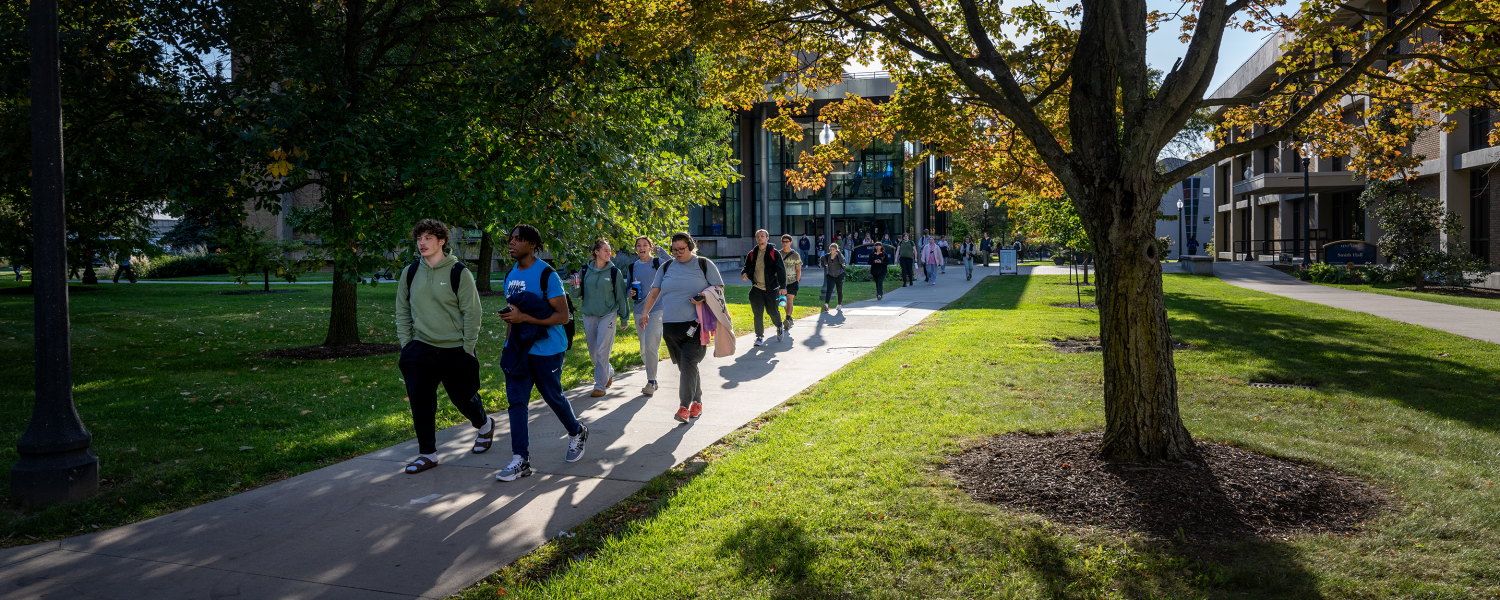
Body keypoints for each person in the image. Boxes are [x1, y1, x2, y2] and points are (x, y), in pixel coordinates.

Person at [395, 219, 493, 475]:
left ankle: (484, 424)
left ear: (442, 241)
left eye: (428, 238)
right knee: (421, 402)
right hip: (421, 349)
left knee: (464, 399)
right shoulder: (411, 272)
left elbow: (472, 312)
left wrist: (468, 347)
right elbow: (402, 310)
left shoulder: (459, 272)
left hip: (455, 349)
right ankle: (428, 453)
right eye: (419, 239)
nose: (422, 243)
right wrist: (407, 345)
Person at [495, 224, 589, 482]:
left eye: (517, 239)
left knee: (552, 395)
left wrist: (524, 316)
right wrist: (508, 344)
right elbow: (513, 315)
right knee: (516, 401)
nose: (511, 243)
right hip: (518, 348)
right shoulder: (510, 274)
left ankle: (577, 432)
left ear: (532, 244)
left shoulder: (547, 275)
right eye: (510, 238)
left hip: (547, 348)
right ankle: (520, 460)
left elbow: (561, 316)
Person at [640, 232, 725, 423]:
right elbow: (654, 293)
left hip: (695, 325)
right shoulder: (666, 266)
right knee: (687, 367)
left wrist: (703, 296)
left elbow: (719, 288)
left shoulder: (703, 264)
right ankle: (698, 401)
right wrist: (645, 312)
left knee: (688, 363)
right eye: (674, 249)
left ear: (691, 247)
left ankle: (683, 407)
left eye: (682, 249)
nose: (677, 253)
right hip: (670, 327)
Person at [579, 239, 631, 398]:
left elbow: (621, 297)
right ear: (596, 252)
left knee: (602, 350)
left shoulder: (614, 272)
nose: (609, 254)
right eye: (606, 251)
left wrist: (624, 318)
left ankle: (600, 385)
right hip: (589, 313)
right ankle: (608, 372)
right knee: (593, 352)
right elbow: (577, 294)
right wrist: (574, 286)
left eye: (610, 251)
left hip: (608, 314)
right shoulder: (585, 270)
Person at [629, 236, 670, 396]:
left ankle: (651, 381)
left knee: (651, 345)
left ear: (650, 247)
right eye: (638, 245)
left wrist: (663, 253)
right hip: (639, 310)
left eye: (645, 245)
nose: (641, 248)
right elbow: (628, 288)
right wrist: (630, 292)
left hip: (657, 309)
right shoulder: (632, 267)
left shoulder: (658, 263)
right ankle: (653, 377)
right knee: (643, 350)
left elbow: (675, 264)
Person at [739, 229, 787, 346]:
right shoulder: (752, 253)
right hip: (757, 289)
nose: (760, 238)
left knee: (772, 312)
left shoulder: (774, 253)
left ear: (767, 238)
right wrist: (744, 273)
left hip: (771, 289)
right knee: (758, 313)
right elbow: (746, 267)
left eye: (762, 236)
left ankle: (779, 325)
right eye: (758, 237)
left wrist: (783, 287)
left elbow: (781, 270)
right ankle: (759, 336)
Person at [779, 234, 803, 328]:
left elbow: (798, 269)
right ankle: (789, 318)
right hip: (782, 282)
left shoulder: (795, 255)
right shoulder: (779, 254)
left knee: (789, 300)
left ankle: (788, 318)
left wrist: (797, 281)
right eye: (783, 242)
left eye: (787, 242)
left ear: (791, 243)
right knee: (783, 302)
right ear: (781, 242)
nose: (785, 243)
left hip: (792, 281)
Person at [821, 242, 846, 311]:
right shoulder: (827, 256)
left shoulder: (839, 256)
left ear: (836, 250)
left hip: (839, 275)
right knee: (829, 290)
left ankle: (839, 304)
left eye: (833, 250)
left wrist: (839, 253)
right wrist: (824, 265)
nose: (832, 251)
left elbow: (842, 262)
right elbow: (821, 259)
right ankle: (826, 304)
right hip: (830, 275)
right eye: (831, 249)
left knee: (839, 290)